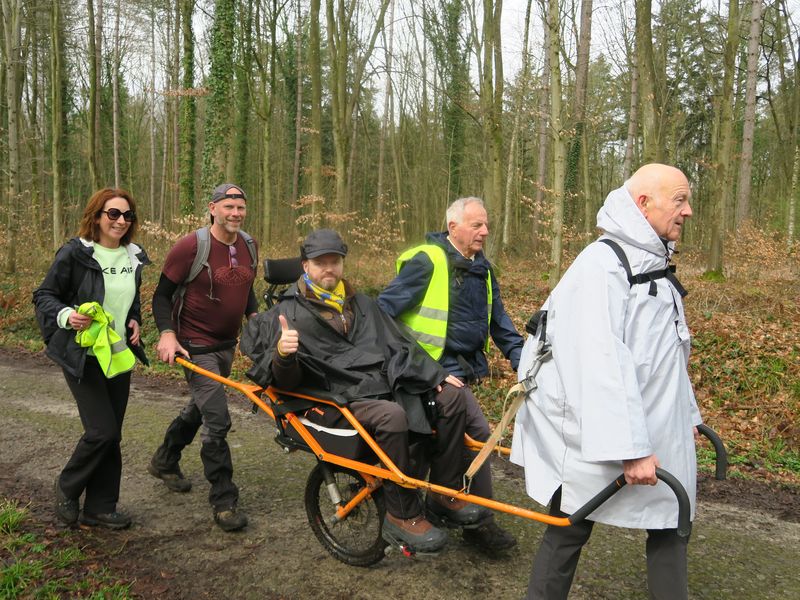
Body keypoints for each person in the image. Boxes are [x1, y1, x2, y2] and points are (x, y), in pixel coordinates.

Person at [510, 163, 701, 599]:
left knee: (672, 524)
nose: (687, 211)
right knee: (569, 527)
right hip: (594, 433)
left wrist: (687, 414)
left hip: (654, 428)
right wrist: (629, 450)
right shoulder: (601, 265)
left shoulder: (655, 268)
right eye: (679, 200)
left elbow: (670, 352)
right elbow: (597, 366)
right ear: (643, 204)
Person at [241, 229, 491, 552]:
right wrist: (283, 355)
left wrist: (434, 374)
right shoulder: (285, 315)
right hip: (336, 399)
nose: (329, 269)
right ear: (305, 266)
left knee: (453, 397)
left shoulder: (361, 303)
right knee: (392, 416)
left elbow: (399, 344)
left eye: (335, 261)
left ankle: (444, 492)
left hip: (379, 386)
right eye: (320, 263)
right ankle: (402, 515)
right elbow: (286, 384)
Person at [377, 197, 523, 553]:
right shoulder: (428, 262)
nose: (485, 232)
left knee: (443, 443)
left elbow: (499, 322)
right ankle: (477, 521)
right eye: (477, 225)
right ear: (453, 227)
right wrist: (427, 370)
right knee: (478, 435)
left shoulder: (482, 269)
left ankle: (435, 502)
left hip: (464, 370)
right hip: (426, 373)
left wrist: (525, 361)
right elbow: (382, 314)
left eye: (486, 224)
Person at [33, 188, 150, 529]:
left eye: (127, 215)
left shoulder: (133, 256)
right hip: (82, 353)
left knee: (113, 434)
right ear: (97, 216)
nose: (120, 221)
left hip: (117, 354)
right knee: (101, 431)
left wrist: (135, 319)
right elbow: (44, 295)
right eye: (113, 214)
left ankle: (100, 507)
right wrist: (67, 315)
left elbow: (129, 300)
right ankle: (67, 486)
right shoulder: (77, 253)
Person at [148, 183, 258, 532]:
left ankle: (165, 460)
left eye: (240, 207)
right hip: (195, 345)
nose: (236, 213)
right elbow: (161, 296)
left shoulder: (248, 245)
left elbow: (246, 287)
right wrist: (167, 334)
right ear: (213, 208)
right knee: (217, 419)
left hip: (227, 344)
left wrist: (255, 320)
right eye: (229, 207)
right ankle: (224, 500)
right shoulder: (191, 246)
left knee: (200, 406)